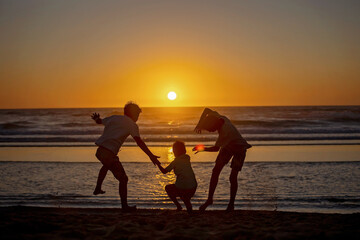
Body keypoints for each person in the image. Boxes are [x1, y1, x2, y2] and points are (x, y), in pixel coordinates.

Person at [91, 101, 160, 212]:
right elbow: (139, 142)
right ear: (133, 114)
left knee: (107, 165)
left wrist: (96, 119)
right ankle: (124, 207)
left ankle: (98, 188)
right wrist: (151, 156)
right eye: (137, 115)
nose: (137, 118)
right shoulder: (132, 124)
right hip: (109, 152)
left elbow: (100, 121)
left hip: (100, 151)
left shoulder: (114, 118)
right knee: (123, 179)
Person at [193, 108, 251, 211]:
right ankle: (209, 199)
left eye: (210, 129)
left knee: (233, 177)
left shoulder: (225, 132)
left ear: (214, 124)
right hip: (228, 146)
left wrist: (201, 149)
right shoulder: (220, 117)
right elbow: (206, 109)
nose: (211, 131)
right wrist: (199, 124)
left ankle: (231, 204)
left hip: (239, 149)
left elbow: (215, 149)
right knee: (215, 171)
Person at [157, 141, 197, 213]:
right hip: (193, 186)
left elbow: (164, 171)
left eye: (174, 150)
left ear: (176, 151)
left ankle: (179, 206)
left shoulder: (175, 161)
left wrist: (157, 164)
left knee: (168, 188)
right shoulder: (187, 158)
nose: (173, 152)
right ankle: (188, 209)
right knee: (185, 198)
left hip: (183, 187)